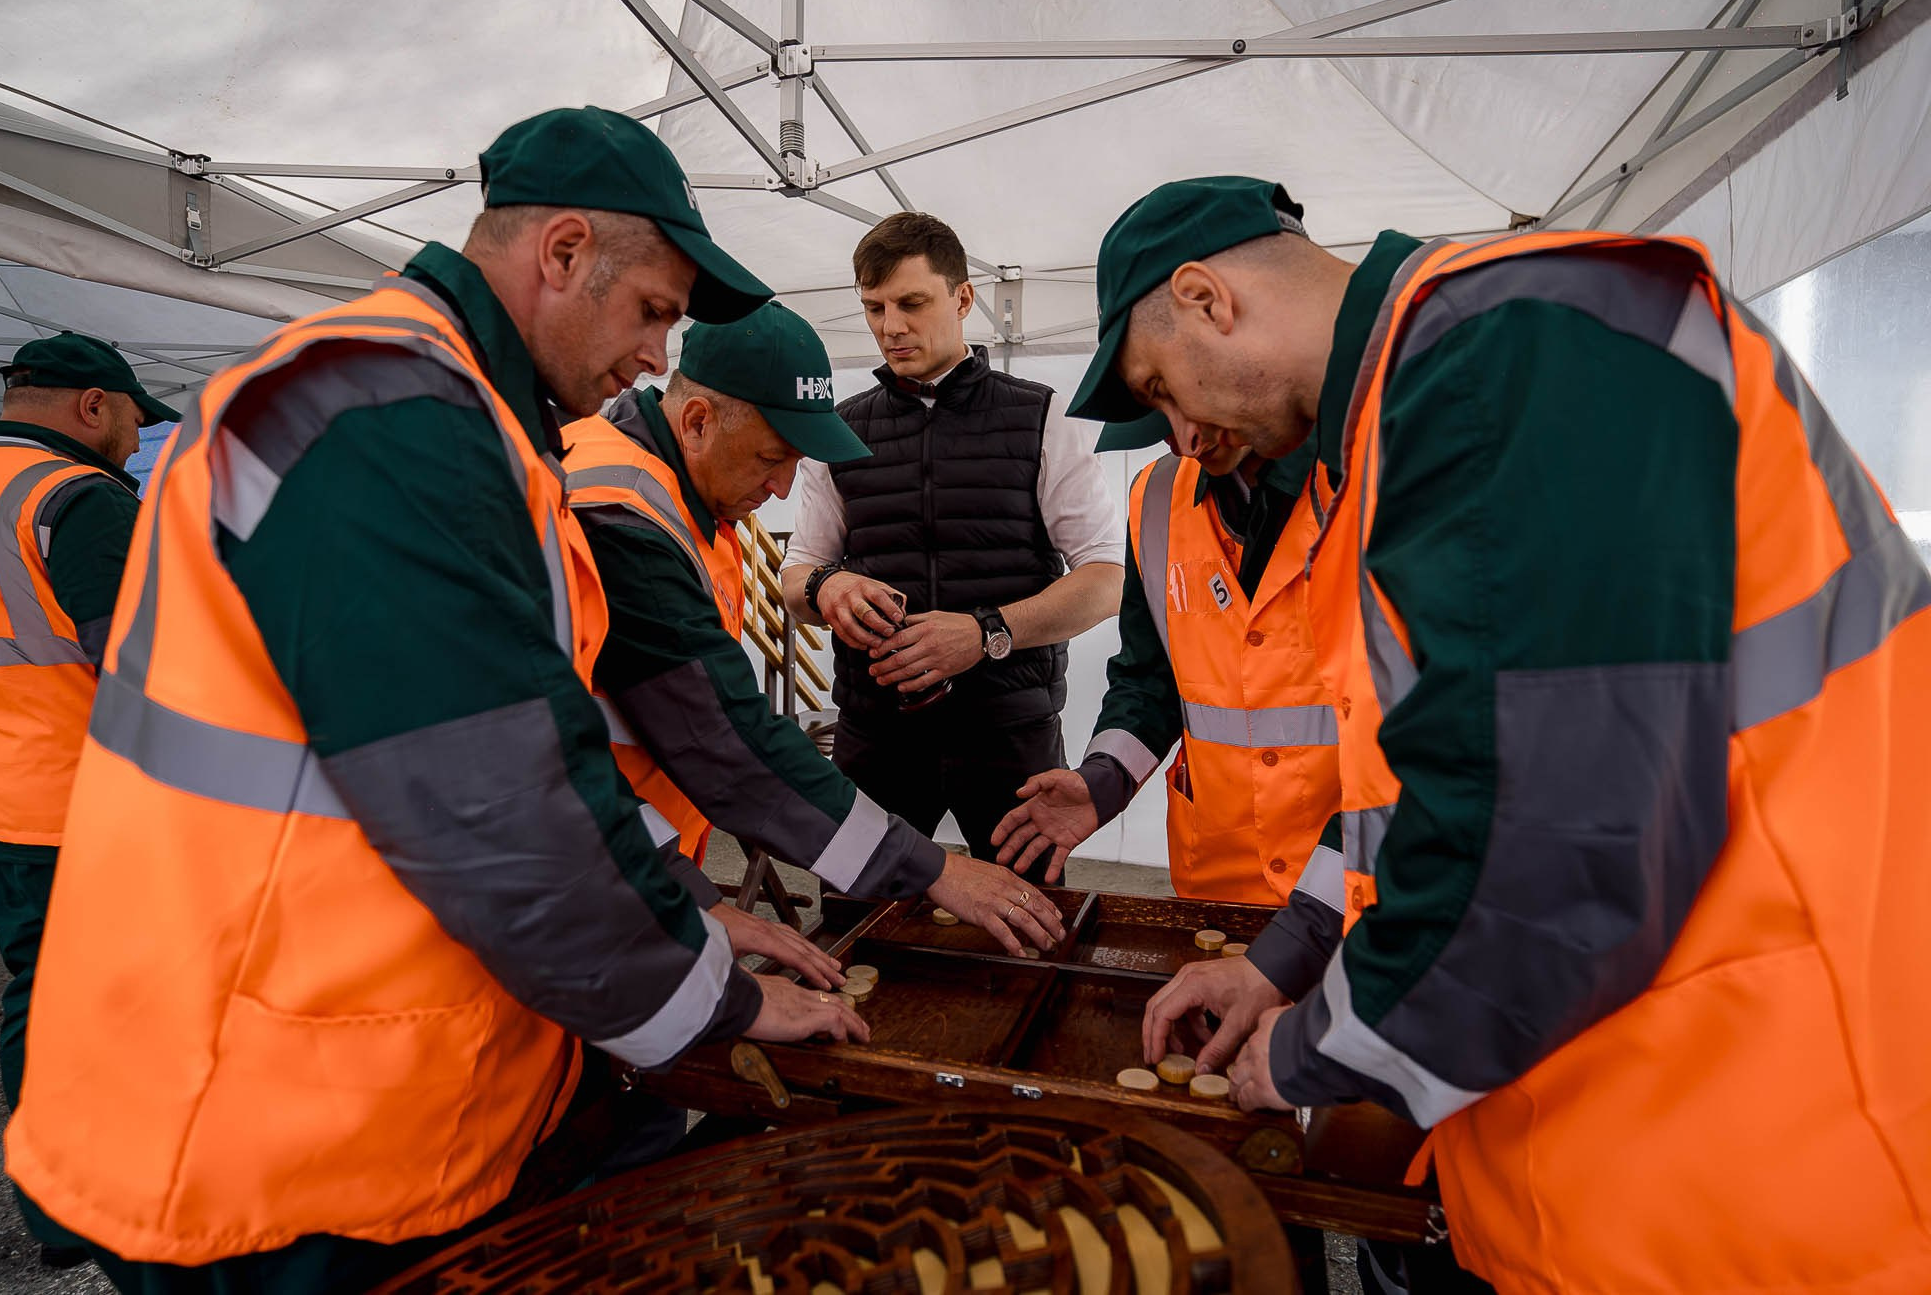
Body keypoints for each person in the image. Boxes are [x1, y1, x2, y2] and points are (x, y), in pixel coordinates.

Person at [3, 107, 883, 1295]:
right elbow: (495, 796)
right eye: (651, 312)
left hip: (337, 1080)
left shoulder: (473, 424)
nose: (656, 357)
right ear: (562, 252)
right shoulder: (381, 409)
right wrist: (707, 996)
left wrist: (684, 905)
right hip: (262, 1126)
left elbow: (546, 742)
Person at [1070, 177, 1931, 1294]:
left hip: (1752, 1175)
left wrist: (1308, 1048)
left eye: (1162, 387)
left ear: (1205, 299)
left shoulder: (1505, 354)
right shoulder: (1409, 419)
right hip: (1606, 1148)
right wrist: (1276, 966)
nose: (1183, 437)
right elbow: (1419, 794)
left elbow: (1544, 842)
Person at [560, 300, 1066, 958]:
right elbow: (727, 745)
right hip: (578, 887)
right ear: (697, 421)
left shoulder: (675, 488)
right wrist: (932, 869)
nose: (781, 488)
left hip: (621, 860)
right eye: (771, 457)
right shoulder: (623, 517)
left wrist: (685, 894)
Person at [0, 332, 177, 1267]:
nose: (136, 441)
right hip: (92, 807)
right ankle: (124, 1194)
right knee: (132, 1006)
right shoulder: (77, 496)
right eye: (133, 420)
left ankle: (59, 1211)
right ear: (92, 405)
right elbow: (151, 668)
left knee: (37, 1000)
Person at [782, 212, 1124, 879]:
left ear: (963, 298)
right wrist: (828, 586)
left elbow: (1107, 577)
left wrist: (985, 632)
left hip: (1008, 732)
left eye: (911, 303)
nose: (891, 326)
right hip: (876, 733)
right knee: (860, 912)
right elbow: (796, 580)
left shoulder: (1042, 416)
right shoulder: (838, 432)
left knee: (1026, 913)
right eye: (874, 308)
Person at [989, 405, 1343, 907]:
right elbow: (1148, 677)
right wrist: (1105, 779)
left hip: (1356, 879)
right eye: (1157, 412)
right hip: (1219, 873)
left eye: (1183, 402)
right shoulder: (1157, 495)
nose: (1181, 441)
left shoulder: (1367, 484)